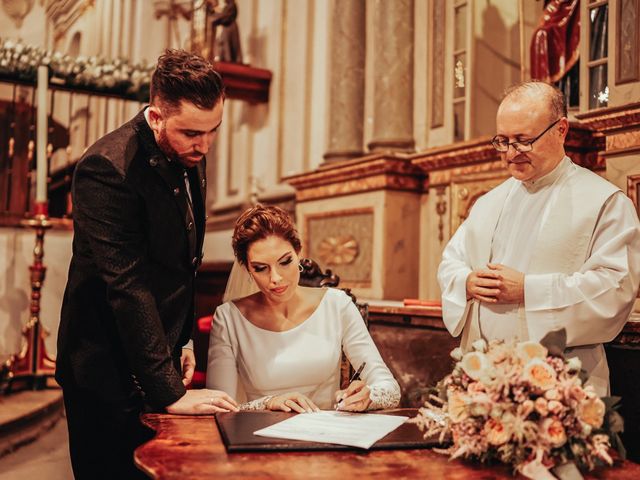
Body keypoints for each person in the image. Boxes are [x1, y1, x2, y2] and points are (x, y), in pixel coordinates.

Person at [56, 49, 238, 480]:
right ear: (155, 116)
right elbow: (128, 286)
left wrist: (186, 341)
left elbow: (183, 264)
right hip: (105, 369)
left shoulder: (190, 150)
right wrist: (170, 391)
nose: (205, 144)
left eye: (214, 130)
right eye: (193, 132)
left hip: (156, 356)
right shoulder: (107, 169)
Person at [438, 81, 640, 397]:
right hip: (484, 381)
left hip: (560, 390)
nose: (510, 153)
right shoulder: (489, 202)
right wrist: (466, 281)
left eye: (523, 141)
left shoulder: (604, 202)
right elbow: (452, 261)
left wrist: (528, 290)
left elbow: (614, 290)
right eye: (502, 141)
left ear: (561, 130)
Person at [207, 205, 401, 412]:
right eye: (261, 268)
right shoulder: (228, 318)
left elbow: (390, 389)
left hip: (329, 434)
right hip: (259, 437)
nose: (276, 278)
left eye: (285, 262)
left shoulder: (337, 305)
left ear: (298, 253)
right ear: (247, 269)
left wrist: (368, 397)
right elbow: (220, 407)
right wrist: (267, 403)